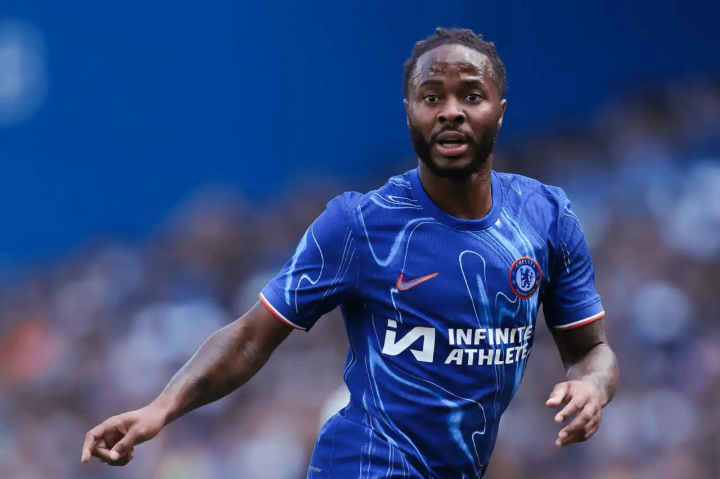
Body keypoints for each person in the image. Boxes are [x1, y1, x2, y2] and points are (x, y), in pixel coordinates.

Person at [81, 27, 619, 478]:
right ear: (409, 112)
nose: (451, 112)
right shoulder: (360, 224)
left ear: (499, 112)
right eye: (432, 97)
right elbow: (249, 339)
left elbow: (592, 351)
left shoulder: (546, 217)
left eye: (471, 96)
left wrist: (592, 385)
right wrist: (160, 409)